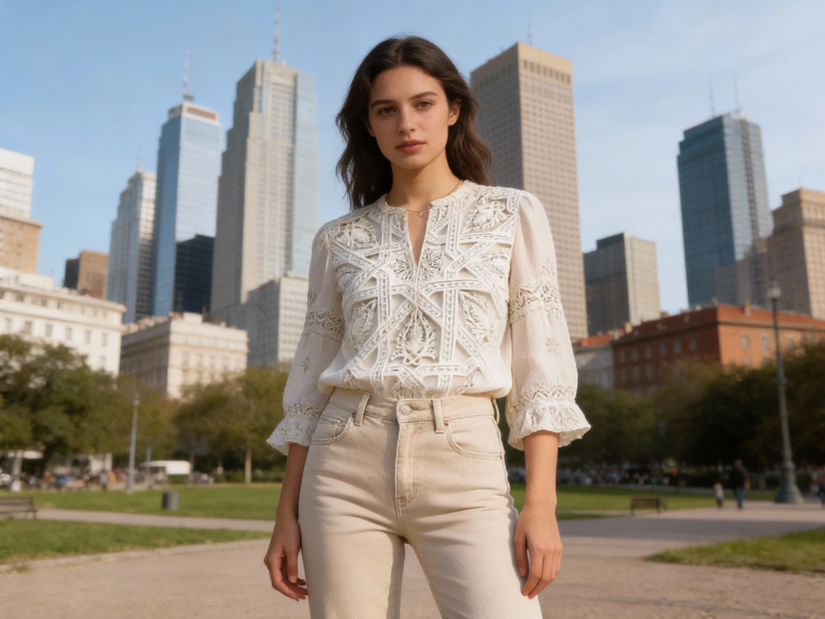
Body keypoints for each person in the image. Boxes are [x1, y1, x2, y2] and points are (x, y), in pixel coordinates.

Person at [262, 36, 591, 618]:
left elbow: (540, 371)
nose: (405, 123)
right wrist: (286, 512)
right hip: (342, 464)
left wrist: (541, 504)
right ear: (367, 124)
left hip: (463, 457)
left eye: (423, 104)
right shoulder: (338, 239)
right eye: (385, 109)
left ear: (453, 109)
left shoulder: (511, 214)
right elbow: (311, 385)